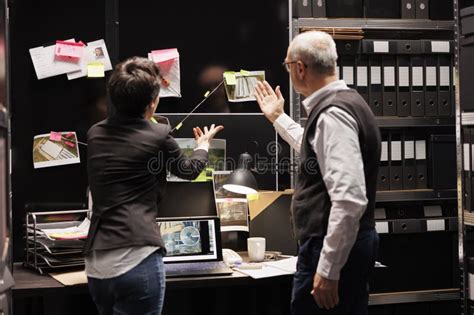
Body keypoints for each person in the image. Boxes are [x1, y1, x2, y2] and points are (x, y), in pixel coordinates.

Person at [83, 56, 223, 315]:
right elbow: (189, 171)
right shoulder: (158, 135)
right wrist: (203, 146)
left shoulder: (94, 134)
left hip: (97, 264)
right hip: (137, 258)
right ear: (153, 102)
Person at [254, 31, 380, 315]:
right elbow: (316, 148)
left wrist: (328, 268)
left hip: (330, 247)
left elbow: (349, 199)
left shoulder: (332, 114)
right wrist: (278, 118)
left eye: (288, 65)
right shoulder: (346, 104)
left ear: (300, 68)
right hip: (346, 243)